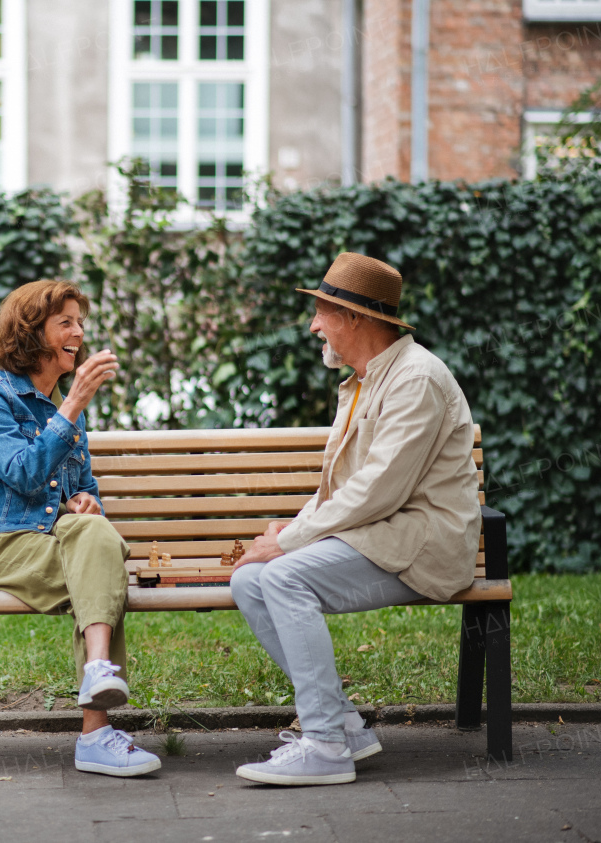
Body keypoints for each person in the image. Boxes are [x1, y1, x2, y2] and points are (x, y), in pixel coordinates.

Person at [230, 252, 481, 786]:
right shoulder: (365, 379)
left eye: (322, 311)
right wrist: (286, 532)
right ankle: (346, 725)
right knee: (249, 578)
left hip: (423, 544)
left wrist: (290, 543)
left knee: (282, 574)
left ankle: (323, 746)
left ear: (356, 319)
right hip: (383, 533)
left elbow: (377, 490)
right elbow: (338, 487)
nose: (314, 324)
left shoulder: (415, 380)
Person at [0, 279, 161, 777]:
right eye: (65, 322)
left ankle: (96, 675)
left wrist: (86, 500)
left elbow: (85, 491)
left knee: (96, 544)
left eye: (80, 323)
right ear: (30, 332)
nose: (78, 333)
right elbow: (21, 473)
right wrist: (73, 404)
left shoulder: (66, 411)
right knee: (99, 566)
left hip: (48, 541)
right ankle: (96, 728)